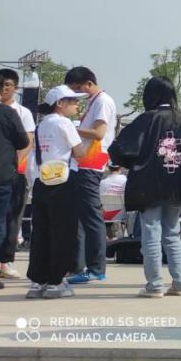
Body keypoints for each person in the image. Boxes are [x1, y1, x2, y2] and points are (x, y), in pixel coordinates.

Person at [108, 77, 181, 298]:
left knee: (151, 232)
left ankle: (155, 285)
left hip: (149, 185)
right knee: (172, 232)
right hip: (179, 185)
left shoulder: (146, 119)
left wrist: (135, 163)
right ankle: (180, 283)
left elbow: (119, 149)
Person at [23, 84, 83, 298]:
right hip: (63, 180)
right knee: (63, 232)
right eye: (73, 101)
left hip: (42, 180)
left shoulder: (41, 125)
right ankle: (56, 282)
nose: (77, 104)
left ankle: (38, 281)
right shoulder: (65, 123)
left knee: (41, 232)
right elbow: (80, 152)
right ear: (60, 103)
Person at [64, 67, 116, 284]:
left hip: (91, 164)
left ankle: (95, 268)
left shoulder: (103, 101)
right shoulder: (92, 102)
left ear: (89, 83)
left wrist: (68, 127)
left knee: (92, 218)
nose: (76, 94)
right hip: (82, 163)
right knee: (80, 217)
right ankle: (77, 265)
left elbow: (99, 133)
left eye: (77, 88)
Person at [0, 69, 35, 280]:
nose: (5, 89)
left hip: (15, 172)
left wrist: (14, 162)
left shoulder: (22, 112)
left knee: (12, 218)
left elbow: (27, 142)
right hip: (0, 172)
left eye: (9, 85)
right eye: (2, 85)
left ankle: (6, 261)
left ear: (16, 87)